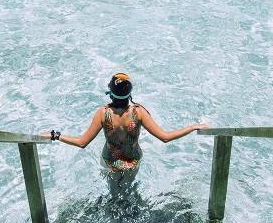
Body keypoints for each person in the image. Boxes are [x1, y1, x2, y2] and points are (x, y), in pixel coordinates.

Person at [44, 73, 208, 186]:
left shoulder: (103, 113)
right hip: (132, 161)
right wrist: (194, 126)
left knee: (114, 196)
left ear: (111, 93)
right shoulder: (139, 112)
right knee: (129, 193)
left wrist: (54, 135)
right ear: (129, 94)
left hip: (111, 162)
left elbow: (81, 143)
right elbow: (165, 137)